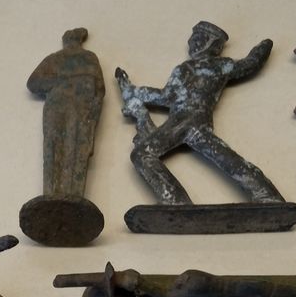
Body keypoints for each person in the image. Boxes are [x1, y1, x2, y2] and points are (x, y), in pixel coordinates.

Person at [116, 21, 282, 205]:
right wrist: (132, 90)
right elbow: (166, 96)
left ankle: (176, 201)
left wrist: (262, 48)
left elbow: (249, 64)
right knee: (224, 157)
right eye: (192, 38)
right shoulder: (193, 68)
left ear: (212, 44)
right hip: (191, 121)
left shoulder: (214, 66)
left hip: (185, 120)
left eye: (197, 38)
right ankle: (267, 194)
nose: (191, 42)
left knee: (142, 154)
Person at [26, 28, 105, 197]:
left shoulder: (86, 58)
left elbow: (99, 91)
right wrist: (66, 82)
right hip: (61, 108)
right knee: (57, 146)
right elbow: (33, 83)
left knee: (72, 148)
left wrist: (92, 116)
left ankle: (67, 195)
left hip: (80, 110)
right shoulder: (58, 58)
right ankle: (54, 194)